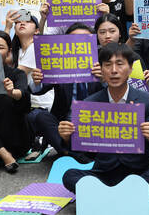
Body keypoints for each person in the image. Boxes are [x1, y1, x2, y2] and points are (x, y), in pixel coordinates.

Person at [59, 43, 149, 215]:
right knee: (69, 176)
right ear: (101, 70)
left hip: (139, 170)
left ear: (131, 68)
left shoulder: (148, 100)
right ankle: (136, 198)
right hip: (104, 171)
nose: (114, 70)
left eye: (120, 64)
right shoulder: (90, 103)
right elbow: (82, 150)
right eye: (108, 65)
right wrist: (66, 137)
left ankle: (102, 198)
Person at [27, 24, 103, 162]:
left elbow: (118, 92)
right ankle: (72, 154)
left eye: (83, 39)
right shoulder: (59, 65)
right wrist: (37, 81)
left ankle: (74, 155)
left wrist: (104, 79)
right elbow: (38, 90)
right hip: (65, 125)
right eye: (74, 39)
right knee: (41, 117)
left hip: (95, 122)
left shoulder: (102, 64)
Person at [0, 31, 31, 174]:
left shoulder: (17, 74)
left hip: (14, 137)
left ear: (8, 52)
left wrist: (12, 93)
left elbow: (24, 100)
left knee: (4, 99)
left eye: (0, 47)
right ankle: (2, 154)